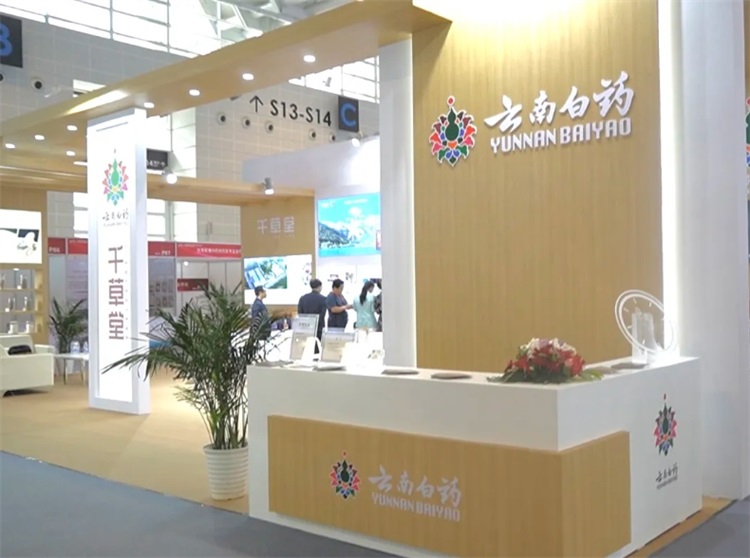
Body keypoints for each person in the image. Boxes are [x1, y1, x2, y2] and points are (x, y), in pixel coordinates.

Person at [297, 278, 327, 349]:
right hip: (318, 327)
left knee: (306, 347)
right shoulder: (323, 299)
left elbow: (300, 313)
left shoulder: (303, 298)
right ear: (319, 287)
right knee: (318, 347)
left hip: (305, 326)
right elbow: (322, 315)